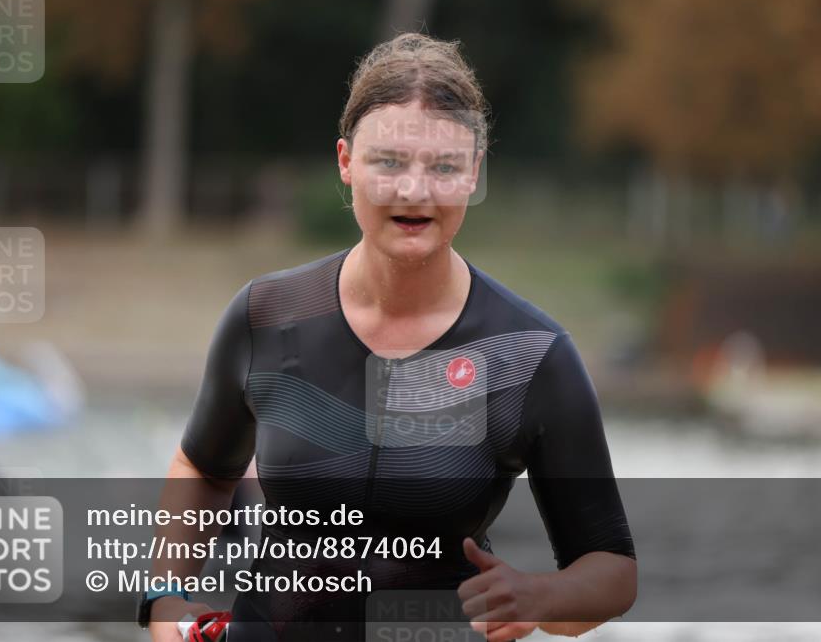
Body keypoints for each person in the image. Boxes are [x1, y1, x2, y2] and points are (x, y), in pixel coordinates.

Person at [141, 32, 636, 642]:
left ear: (474, 174)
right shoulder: (266, 315)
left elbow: (611, 570)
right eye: (390, 161)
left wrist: (538, 596)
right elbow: (204, 468)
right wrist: (166, 603)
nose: (415, 191)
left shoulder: (530, 355)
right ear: (346, 162)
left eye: (445, 166)